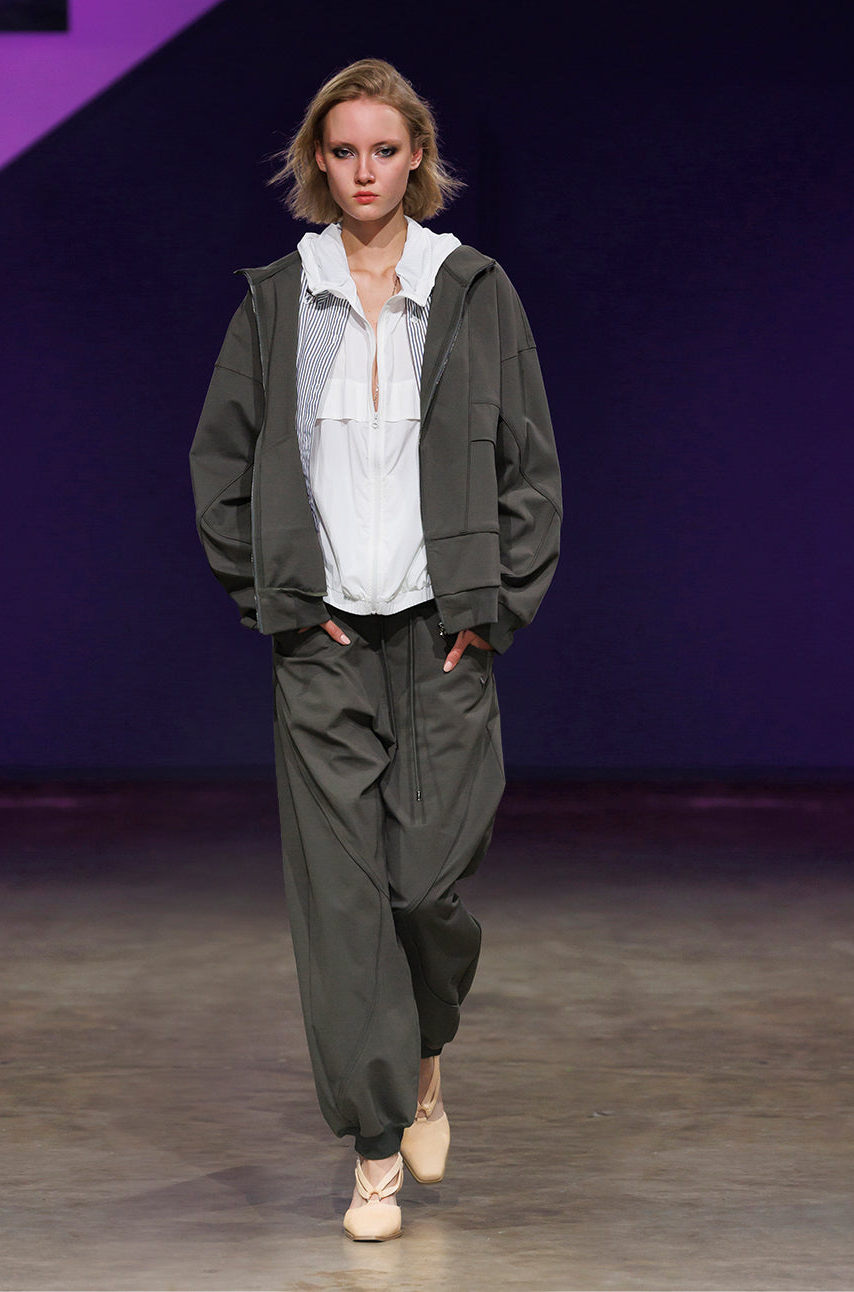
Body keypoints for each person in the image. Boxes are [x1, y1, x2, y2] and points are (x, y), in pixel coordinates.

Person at [189, 57, 561, 1241]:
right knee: (343, 904)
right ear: (319, 160)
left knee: (423, 886)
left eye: (384, 151)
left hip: (442, 635)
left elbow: (530, 467)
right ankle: (373, 1152)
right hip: (325, 641)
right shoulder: (277, 300)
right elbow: (219, 466)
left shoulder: (472, 290)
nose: (363, 172)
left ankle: (425, 1050)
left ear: (417, 159)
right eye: (343, 151)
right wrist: (282, 606)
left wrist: (491, 611)